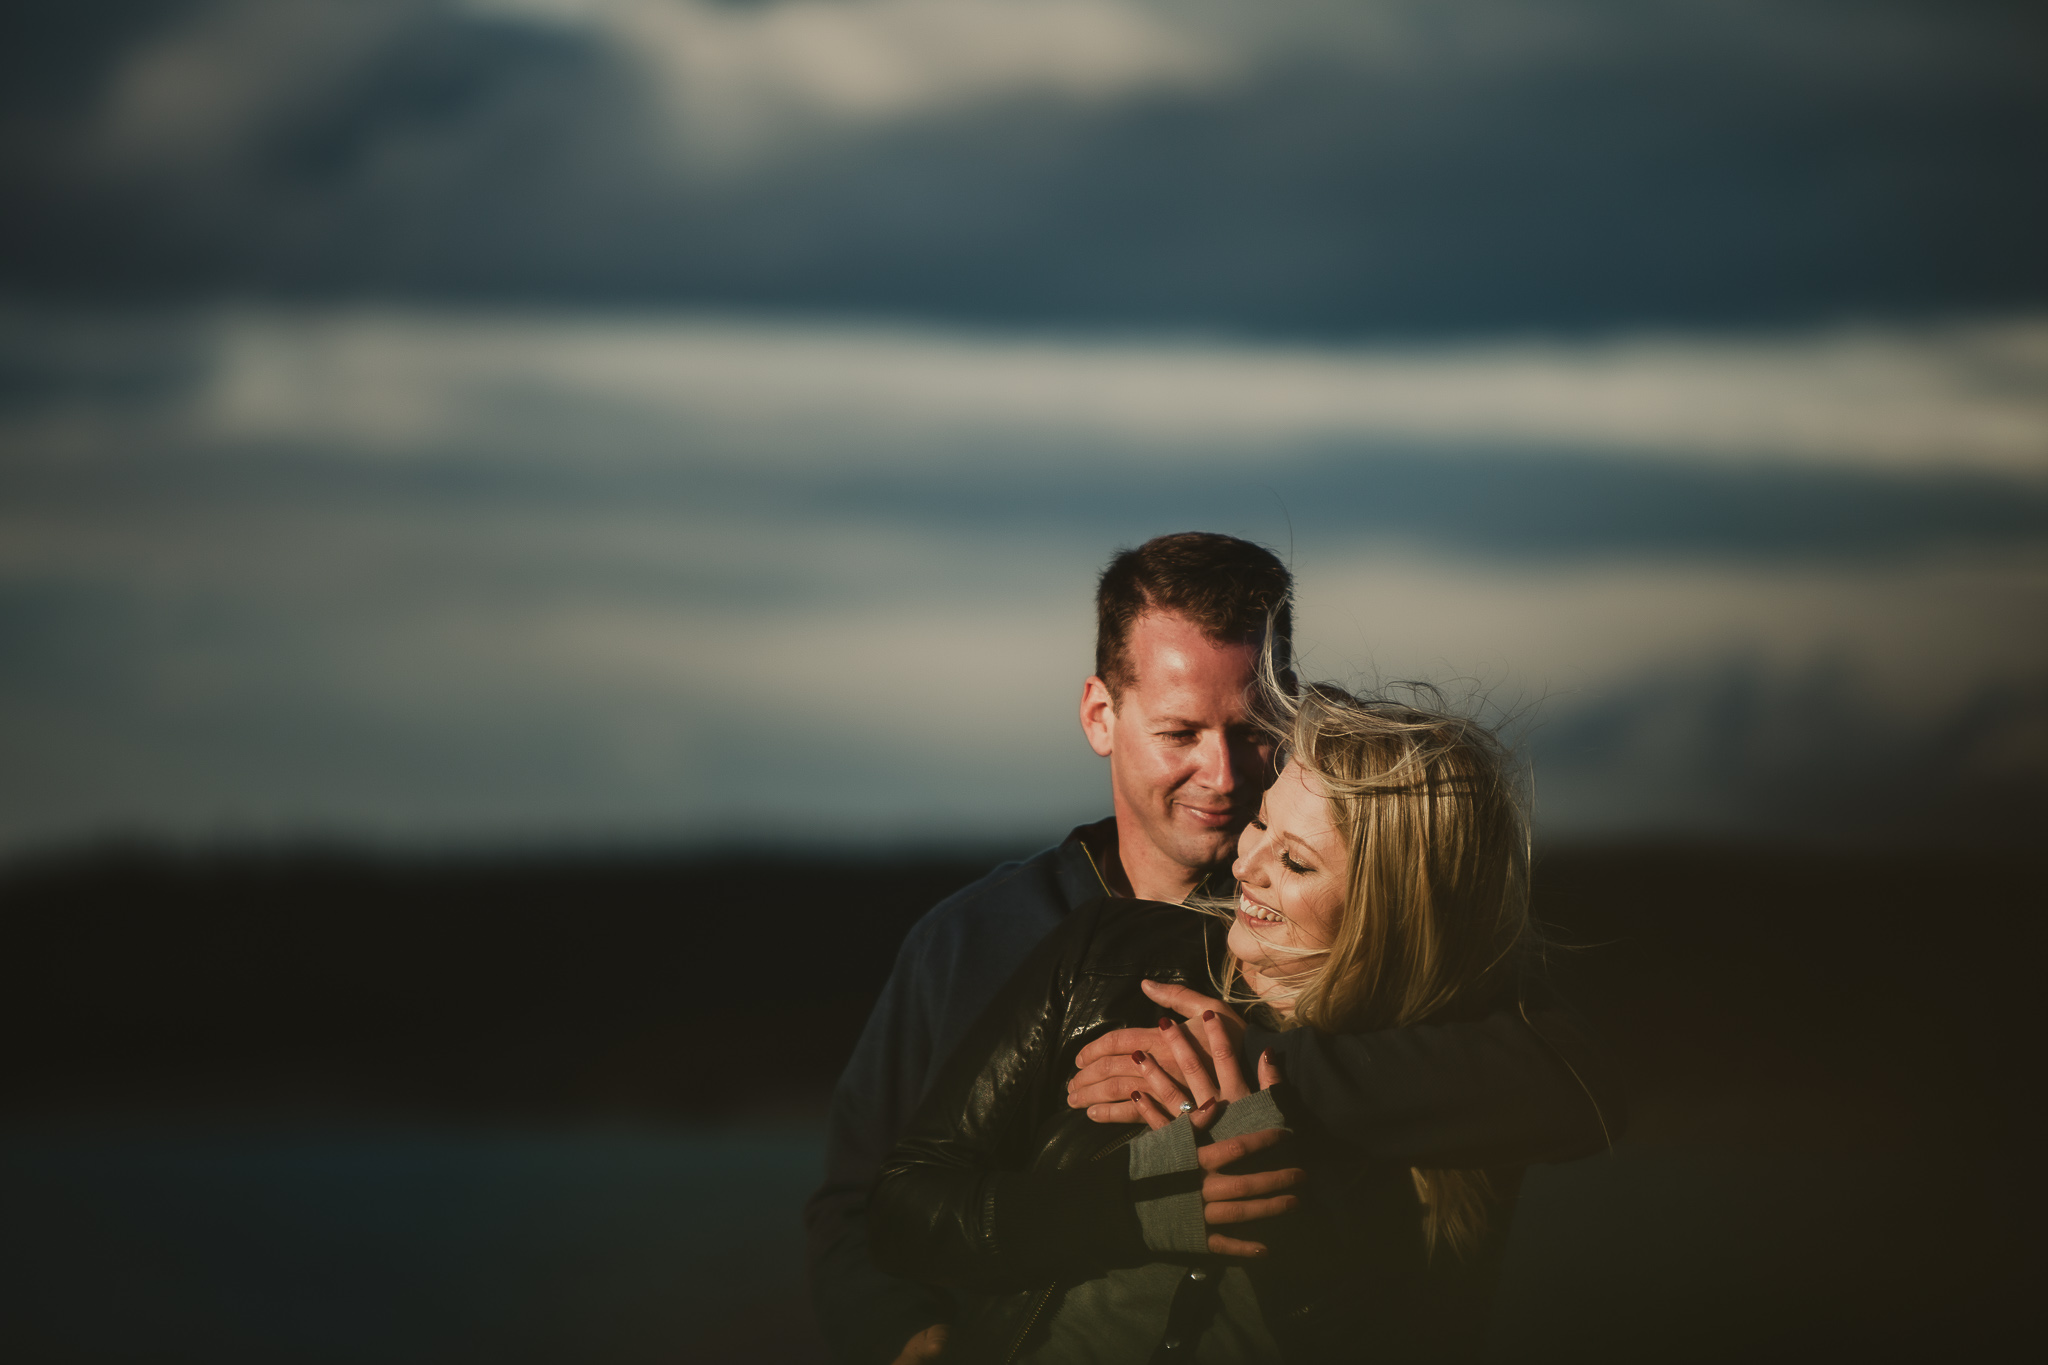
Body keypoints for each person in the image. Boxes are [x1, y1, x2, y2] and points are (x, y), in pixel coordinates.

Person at [805, 533, 1622, 1364]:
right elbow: (862, 1201)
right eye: (1180, 731)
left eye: (1252, 728)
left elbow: (1567, 1077)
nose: (1224, 773)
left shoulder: (1360, 940)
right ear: (1100, 716)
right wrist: (906, 1334)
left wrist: (1253, 1076)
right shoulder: (972, 938)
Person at [870, 677, 1547, 1361]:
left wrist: (1290, 1222)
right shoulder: (1109, 953)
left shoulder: (1458, 1077)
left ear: (1390, 908)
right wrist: (1117, 1209)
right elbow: (904, 1206)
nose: (1245, 866)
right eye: (1260, 824)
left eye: (1295, 861)